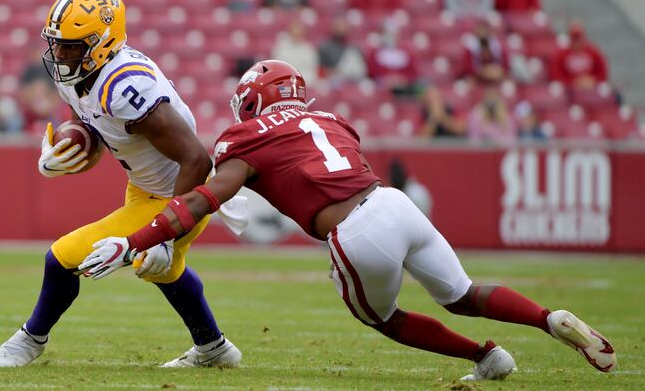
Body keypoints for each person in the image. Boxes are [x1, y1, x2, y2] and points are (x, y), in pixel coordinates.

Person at [77, 60, 617, 381]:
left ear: (254, 102)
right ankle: (547, 318)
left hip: (357, 231)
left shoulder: (245, 137)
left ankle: (487, 356)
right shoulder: (333, 119)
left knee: (386, 320)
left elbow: (200, 201)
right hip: (395, 203)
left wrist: (134, 241)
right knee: (463, 293)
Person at [0, 0, 244, 368]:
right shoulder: (81, 73)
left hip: (182, 193)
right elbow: (92, 126)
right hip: (144, 188)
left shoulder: (125, 86)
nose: (59, 55)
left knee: (63, 257)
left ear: (101, 43)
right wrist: (68, 151)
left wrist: (167, 232)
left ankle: (29, 339)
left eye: (71, 47)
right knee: (161, 270)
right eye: (57, 45)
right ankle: (214, 348)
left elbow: (196, 160)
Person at [550, 20, 608, 91]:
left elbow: (603, 72)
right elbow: (556, 75)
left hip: (592, 88)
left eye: (578, 37)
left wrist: (593, 80)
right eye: (574, 37)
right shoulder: (561, 55)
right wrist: (574, 82)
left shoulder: (593, 52)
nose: (577, 41)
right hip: (569, 92)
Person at [318, 17, 367, 82]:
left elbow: (361, 69)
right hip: (333, 79)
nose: (341, 29)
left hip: (354, 78)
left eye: (343, 26)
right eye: (339, 26)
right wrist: (336, 71)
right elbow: (320, 70)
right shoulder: (325, 47)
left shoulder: (353, 47)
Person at [460, 19, 508, 85]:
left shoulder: (497, 47)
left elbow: (504, 68)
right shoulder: (470, 48)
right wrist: (484, 71)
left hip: (496, 75)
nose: (482, 33)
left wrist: (494, 71)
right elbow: (468, 69)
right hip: (476, 78)